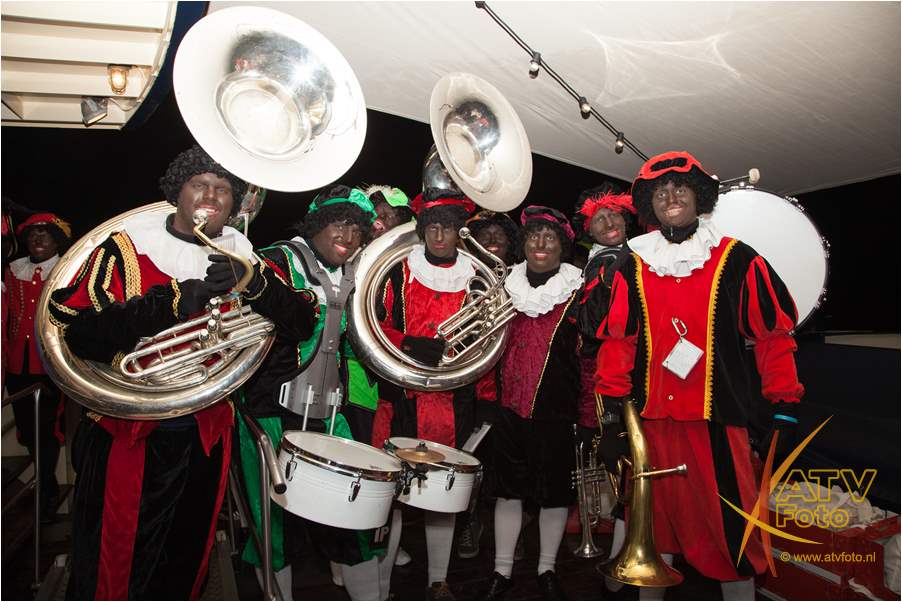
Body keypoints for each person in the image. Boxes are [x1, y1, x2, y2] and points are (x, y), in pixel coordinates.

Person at [49, 144, 317, 600]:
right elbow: (80, 335)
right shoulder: (126, 246)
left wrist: (254, 284)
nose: (211, 196)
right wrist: (170, 303)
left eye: (223, 189)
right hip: (130, 433)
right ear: (178, 191)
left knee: (187, 556)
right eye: (199, 184)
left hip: (207, 432)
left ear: (234, 204)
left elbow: (302, 321)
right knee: (118, 562)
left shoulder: (243, 255)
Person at [589, 151, 804, 601]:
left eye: (680, 188)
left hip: (717, 423)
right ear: (649, 204)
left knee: (733, 535)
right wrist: (610, 419)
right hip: (650, 424)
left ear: (698, 195)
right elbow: (618, 344)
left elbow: (773, 337)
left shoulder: (738, 259)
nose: (670, 198)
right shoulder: (633, 262)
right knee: (652, 531)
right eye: (660, 192)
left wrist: (784, 405)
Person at [236, 185, 394, 601]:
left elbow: (360, 343)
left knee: (353, 524)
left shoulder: (358, 273)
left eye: (357, 229)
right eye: (338, 223)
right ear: (317, 223)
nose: (349, 236)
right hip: (270, 416)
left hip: (330, 417)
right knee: (274, 531)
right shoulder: (276, 260)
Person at [376, 187, 477, 601]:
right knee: (390, 495)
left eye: (447, 228)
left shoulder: (476, 277)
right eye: (432, 227)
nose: (439, 235)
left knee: (443, 493)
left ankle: (439, 579)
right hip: (401, 396)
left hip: (454, 399)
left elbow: (488, 341)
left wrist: (487, 397)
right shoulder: (397, 271)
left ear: (459, 232)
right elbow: (372, 325)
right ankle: (379, 585)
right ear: (422, 230)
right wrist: (407, 342)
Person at [481, 206, 586, 601]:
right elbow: (486, 349)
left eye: (550, 237)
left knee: (554, 494)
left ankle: (547, 568)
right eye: (533, 236)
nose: (541, 243)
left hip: (557, 411)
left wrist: (589, 416)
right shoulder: (503, 284)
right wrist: (486, 401)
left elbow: (589, 359)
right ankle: (502, 570)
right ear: (523, 244)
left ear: (562, 246)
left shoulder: (578, 290)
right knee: (508, 491)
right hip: (508, 410)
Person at [571, 186, 637, 590]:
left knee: (637, 471)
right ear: (589, 229)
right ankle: (622, 554)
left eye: (614, 214)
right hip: (608, 379)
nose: (609, 222)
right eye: (600, 218)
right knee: (623, 470)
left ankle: (627, 554)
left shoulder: (641, 257)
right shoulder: (597, 266)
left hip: (640, 377)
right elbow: (591, 326)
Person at [454, 208, 519, 561]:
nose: (493, 240)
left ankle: (511, 532)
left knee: (509, 463)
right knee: (470, 460)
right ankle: (469, 520)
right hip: (471, 386)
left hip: (514, 386)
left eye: (500, 235)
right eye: (485, 235)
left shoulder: (523, 279)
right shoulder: (461, 276)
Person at [4, 211, 71, 523]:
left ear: (56, 240)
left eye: (45, 233)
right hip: (17, 365)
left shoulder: (66, 270)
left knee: (46, 430)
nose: (38, 239)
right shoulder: (13, 270)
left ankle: (46, 492)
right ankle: (46, 486)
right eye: (32, 234)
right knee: (27, 430)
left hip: (50, 366)